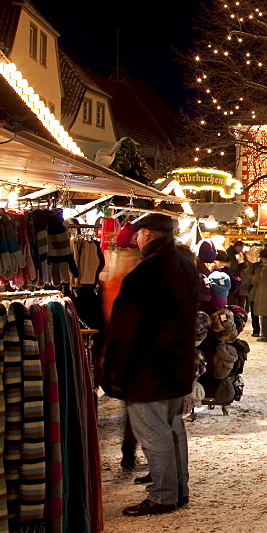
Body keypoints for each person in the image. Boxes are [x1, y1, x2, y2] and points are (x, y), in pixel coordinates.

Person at [98, 213, 199, 516]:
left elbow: (126, 326)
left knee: (153, 429)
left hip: (148, 366)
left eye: (140, 234)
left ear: (147, 235)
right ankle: (178, 487)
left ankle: (164, 494)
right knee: (172, 426)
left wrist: (114, 364)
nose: (138, 239)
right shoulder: (183, 266)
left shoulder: (147, 272)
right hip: (176, 362)